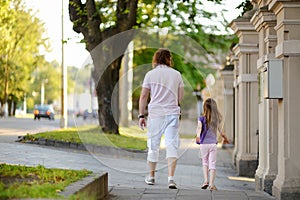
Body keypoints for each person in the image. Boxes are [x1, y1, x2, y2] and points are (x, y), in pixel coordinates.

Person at [138, 48, 184, 189]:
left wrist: (141, 115)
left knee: (153, 145)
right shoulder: (177, 75)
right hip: (172, 114)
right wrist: (175, 105)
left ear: (156, 59)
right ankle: (171, 179)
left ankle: (151, 176)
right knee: (172, 145)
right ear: (169, 59)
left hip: (156, 114)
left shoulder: (150, 75)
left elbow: (144, 96)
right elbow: (180, 96)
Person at [195, 98, 224, 191]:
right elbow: (221, 131)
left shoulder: (201, 118)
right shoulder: (217, 119)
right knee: (212, 163)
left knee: (205, 162)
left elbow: (199, 128)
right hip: (213, 144)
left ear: (204, 108)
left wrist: (198, 136)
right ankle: (211, 184)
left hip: (203, 144)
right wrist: (224, 138)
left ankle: (205, 181)